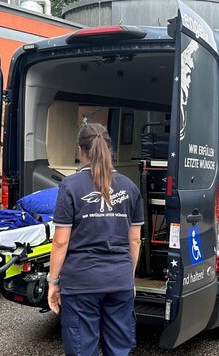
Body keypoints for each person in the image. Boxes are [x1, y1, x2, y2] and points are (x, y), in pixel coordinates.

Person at [47, 123, 144, 356]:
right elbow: (135, 241)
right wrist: (126, 276)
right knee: (119, 350)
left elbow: (60, 242)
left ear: (81, 150)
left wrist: (53, 281)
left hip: (81, 282)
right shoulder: (129, 187)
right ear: (109, 148)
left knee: (82, 350)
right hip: (119, 279)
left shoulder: (70, 186)